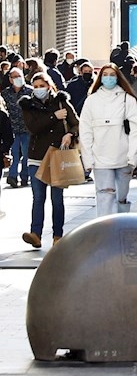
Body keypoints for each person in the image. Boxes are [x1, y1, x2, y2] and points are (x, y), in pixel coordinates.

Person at [19, 73, 79, 248]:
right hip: (37, 156)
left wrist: (70, 134)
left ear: (49, 85)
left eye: (41, 85)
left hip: (58, 156)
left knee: (57, 198)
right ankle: (35, 233)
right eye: (35, 86)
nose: (38, 89)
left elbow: (76, 122)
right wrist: (54, 116)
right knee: (38, 197)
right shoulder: (28, 105)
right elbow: (33, 127)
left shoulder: (61, 102)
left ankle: (57, 236)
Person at [79, 63, 137, 217]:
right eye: (105, 74)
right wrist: (87, 159)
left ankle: (120, 224)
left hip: (123, 156)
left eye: (112, 74)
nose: (108, 78)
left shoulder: (127, 99)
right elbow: (85, 130)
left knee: (121, 196)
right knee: (104, 196)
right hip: (100, 157)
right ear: (100, 78)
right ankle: (105, 231)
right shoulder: (92, 100)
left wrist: (132, 157)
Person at [3, 68, 32, 188]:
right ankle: (12, 176)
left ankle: (25, 176)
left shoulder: (30, 91)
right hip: (12, 129)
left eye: (19, 76)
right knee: (14, 154)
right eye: (14, 77)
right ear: (10, 79)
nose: (17, 79)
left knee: (26, 154)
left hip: (27, 128)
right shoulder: (5, 93)